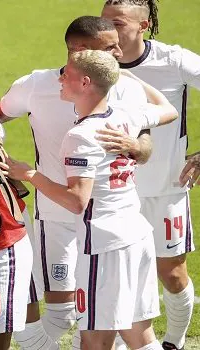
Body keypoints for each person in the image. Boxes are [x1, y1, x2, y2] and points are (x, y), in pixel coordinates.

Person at [0, 16, 152, 349]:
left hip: (101, 227)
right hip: (61, 218)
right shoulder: (36, 85)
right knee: (71, 314)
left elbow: (150, 131)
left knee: (103, 323)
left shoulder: (125, 87)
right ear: (80, 51)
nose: (120, 50)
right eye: (110, 46)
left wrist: (138, 147)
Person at [100, 2, 200, 349]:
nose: (107, 29)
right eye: (103, 20)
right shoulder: (95, 62)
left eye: (116, 22)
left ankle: (173, 341)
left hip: (165, 189)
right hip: (109, 194)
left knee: (170, 274)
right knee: (113, 278)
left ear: (143, 25)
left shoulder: (173, 60)